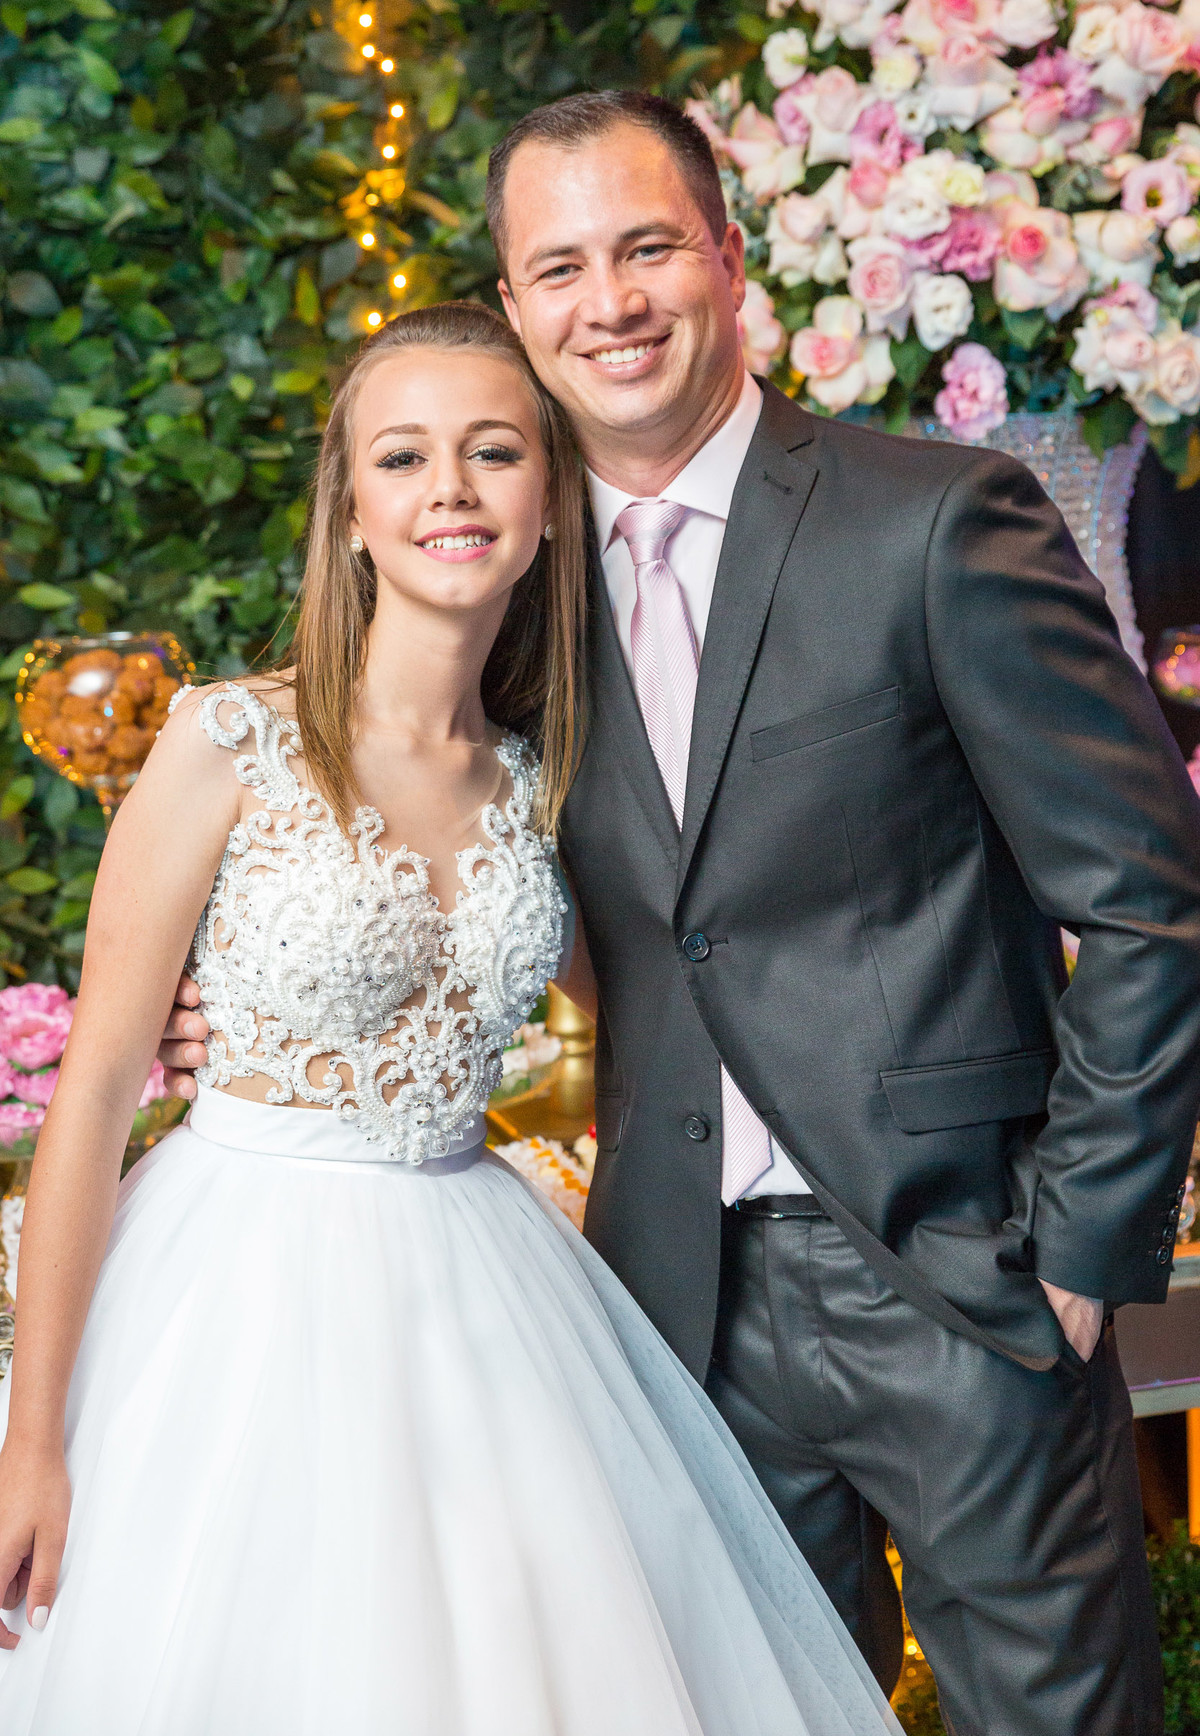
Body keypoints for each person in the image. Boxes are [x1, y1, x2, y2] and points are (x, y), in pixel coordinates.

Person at [157, 95, 1200, 1733]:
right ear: (515, 309)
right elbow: (377, 801)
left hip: (955, 1276)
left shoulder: (938, 519)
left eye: (648, 247)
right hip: (665, 1313)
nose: (611, 302)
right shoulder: (502, 566)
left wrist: (1076, 1249)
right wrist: (233, 999)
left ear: (728, 256)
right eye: (560, 267)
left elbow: (1152, 904)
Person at [0, 302, 902, 1736]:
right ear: (350, 511)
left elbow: (670, 1021)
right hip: (239, 1287)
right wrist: (32, 1444)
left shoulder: (554, 784)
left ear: (551, 506)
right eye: (404, 458)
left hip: (489, 1296)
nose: (451, 492)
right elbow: (96, 1096)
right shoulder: (226, 742)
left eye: (493, 453)